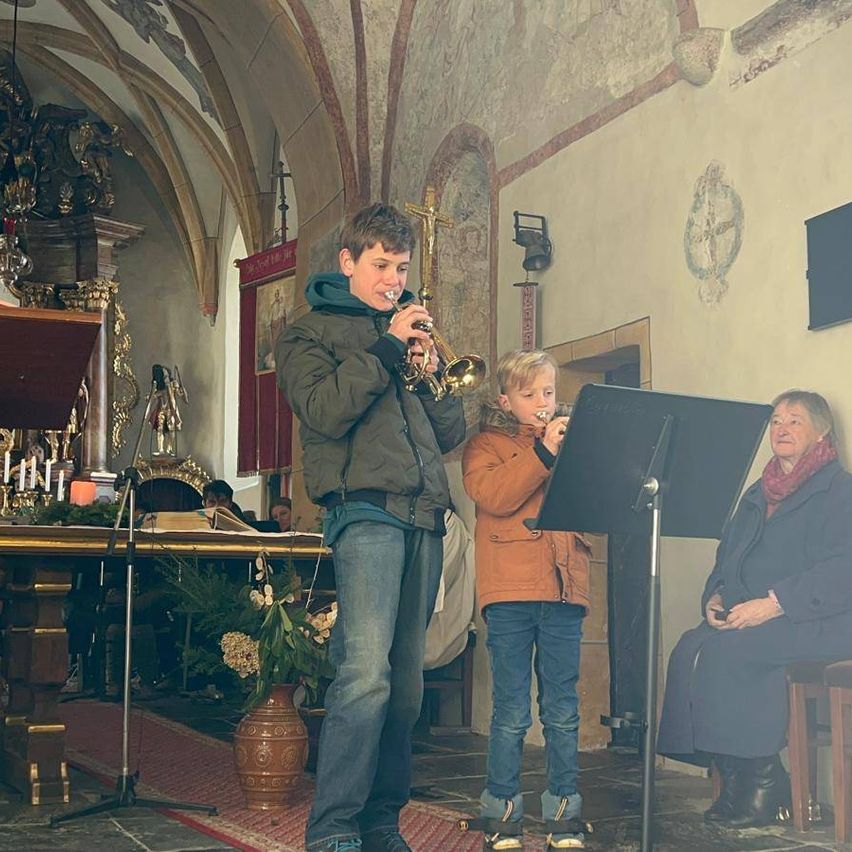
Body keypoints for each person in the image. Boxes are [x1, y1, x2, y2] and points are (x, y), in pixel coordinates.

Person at [275, 202, 467, 852]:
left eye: (402, 267)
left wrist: (432, 375)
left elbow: (450, 436)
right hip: (364, 513)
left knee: (408, 687)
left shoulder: (406, 335)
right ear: (349, 262)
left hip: (423, 517)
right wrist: (386, 348)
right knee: (364, 676)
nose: (393, 278)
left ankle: (382, 822)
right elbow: (325, 413)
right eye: (381, 265)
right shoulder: (307, 334)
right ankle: (331, 831)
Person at [657, 390, 852, 829]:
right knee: (690, 647)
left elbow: (844, 571)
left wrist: (773, 604)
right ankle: (735, 778)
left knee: (733, 653)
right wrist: (716, 595)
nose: (781, 429)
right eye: (776, 421)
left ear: (821, 433)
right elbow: (726, 557)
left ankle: (766, 784)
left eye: (794, 421)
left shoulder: (840, 491)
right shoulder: (756, 492)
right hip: (754, 616)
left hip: (820, 620)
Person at [462, 349, 592, 851]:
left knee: (562, 709)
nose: (543, 403)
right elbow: (495, 496)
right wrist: (543, 455)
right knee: (511, 711)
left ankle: (564, 813)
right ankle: (503, 814)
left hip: (563, 589)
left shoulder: (569, 443)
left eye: (549, 393)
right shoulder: (485, 446)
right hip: (511, 592)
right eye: (529, 394)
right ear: (504, 399)